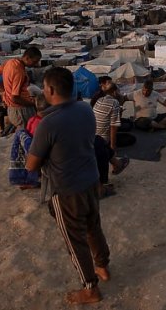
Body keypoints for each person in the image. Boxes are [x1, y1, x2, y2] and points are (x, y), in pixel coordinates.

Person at [26, 67, 110, 305]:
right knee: (93, 227)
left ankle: (90, 288)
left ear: (50, 90)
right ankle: (102, 266)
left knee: (76, 241)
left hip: (67, 190)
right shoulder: (85, 109)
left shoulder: (48, 124)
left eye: (43, 87)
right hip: (91, 180)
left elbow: (31, 165)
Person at [0, 47, 42, 129]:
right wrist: (33, 104)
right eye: (35, 61)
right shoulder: (19, 72)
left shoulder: (10, 62)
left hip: (12, 108)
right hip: (20, 110)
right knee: (30, 132)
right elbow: (15, 98)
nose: (36, 64)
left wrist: (2, 90)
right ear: (27, 58)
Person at [93, 83, 130, 187]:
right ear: (114, 92)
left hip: (94, 134)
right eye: (118, 91)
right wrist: (113, 146)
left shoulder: (99, 100)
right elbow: (114, 126)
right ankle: (116, 166)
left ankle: (117, 165)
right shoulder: (114, 102)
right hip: (103, 137)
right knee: (130, 138)